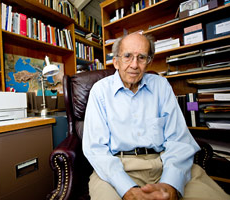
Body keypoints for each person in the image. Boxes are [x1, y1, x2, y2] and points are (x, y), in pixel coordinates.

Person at [82, 32, 230, 200]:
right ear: (116, 61)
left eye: (142, 57)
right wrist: (127, 189)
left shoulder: (161, 86)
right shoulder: (100, 91)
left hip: (164, 163)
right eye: (128, 56)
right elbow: (95, 149)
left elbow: (179, 139)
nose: (134, 65)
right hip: (117, 168)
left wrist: (171, 183)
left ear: (149, 61)